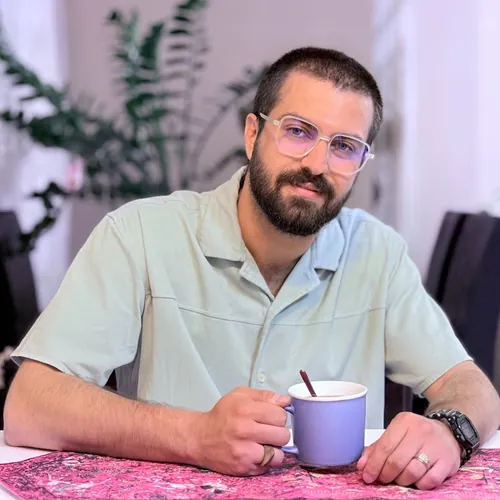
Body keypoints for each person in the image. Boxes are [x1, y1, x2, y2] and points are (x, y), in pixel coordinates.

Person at [4, 46, 500, 490]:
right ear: (252, 133)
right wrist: (195, 435)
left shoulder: (378, 253)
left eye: (345, 146)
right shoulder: (138, 236)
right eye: (298, 131)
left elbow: (471, 388)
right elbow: (29, 405)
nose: (317, 164)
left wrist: (450, 431)